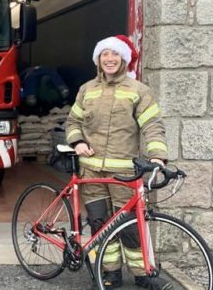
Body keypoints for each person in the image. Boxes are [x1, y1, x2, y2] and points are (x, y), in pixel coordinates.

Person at [65, 35, 171, 289]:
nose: (109, 59)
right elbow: (72, 122)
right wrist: (78, 142)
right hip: (91, 171)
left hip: (124, 174)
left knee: (129, 226)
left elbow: (153, 126)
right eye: (104, 55)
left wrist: (157, 156)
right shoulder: (87, 90)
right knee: (100, 223)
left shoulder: (139, 91)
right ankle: (110, 273)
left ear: (123, 58)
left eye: (114, 54)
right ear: (98, 60)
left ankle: (142, 273)